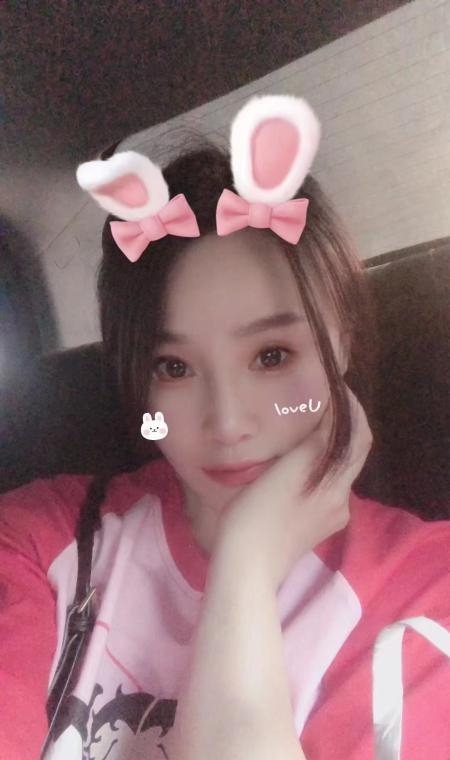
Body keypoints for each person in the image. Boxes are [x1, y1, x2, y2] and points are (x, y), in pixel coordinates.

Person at [0, 94, 449, 760]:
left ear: (343, 344)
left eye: (272, 356)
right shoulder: (40, 539)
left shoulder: (428, 591)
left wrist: (245, 561)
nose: (228, 423)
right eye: (174, 367)